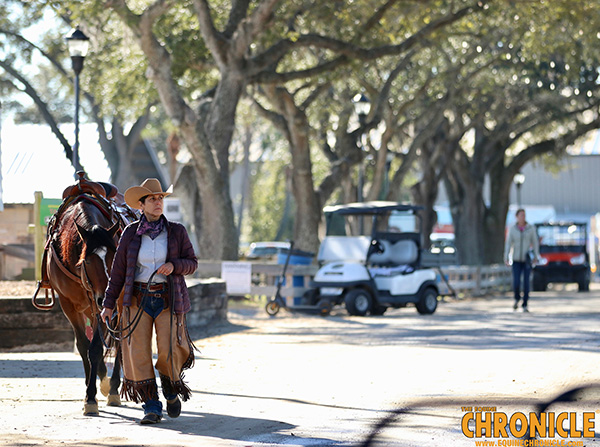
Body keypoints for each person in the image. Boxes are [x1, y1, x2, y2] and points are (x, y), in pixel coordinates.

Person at [100, 178, 198, 424]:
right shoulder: (130, 234)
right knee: (138, 354)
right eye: (152, 199)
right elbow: (118, 273)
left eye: (161, 198)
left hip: (168, 299)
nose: (158, 203)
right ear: (141, 205)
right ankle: (151, 406)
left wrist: (174, 265)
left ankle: (170, 388)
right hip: (137, 301)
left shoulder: (177, 232)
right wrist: (108, 304)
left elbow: (192, 263)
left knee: (170, 350)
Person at [504, 208, 540, 312]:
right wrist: (506, 257)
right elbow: (508, 244)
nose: (522, 217)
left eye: (524, 215)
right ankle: (516, 298)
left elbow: (535, 242)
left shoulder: (530, 228)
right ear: (517, 217)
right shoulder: (513, 229)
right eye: (521, 215)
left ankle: (525, 303)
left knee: (526, 282)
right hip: (516, 259)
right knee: (516, 282)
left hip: (526, 259)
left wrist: (536, 256)